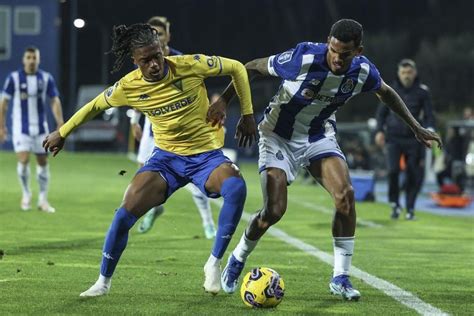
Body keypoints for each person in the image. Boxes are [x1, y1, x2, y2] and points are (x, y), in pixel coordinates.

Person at [213, 19, 442, 301]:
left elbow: (386, 93)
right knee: (274, 210)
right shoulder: (304, 57)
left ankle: (341, 277)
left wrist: (416, 127)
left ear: (358, 51)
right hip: (277, 135)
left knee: (346, 196)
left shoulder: (363, 71)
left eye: (344, 53)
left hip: (318, 136)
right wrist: (230, 104)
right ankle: (238, 257)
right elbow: (249, 67)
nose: (336, 57)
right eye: (333, 49)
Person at [42, 23, 257, 297]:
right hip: (166, 160)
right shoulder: (128, 86)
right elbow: (95, 105)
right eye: (146, 60)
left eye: (157, 56)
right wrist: (62, 132)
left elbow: (238, 68)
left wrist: (246, 113)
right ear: (135, 61)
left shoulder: (191, 64)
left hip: (206, 157)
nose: (155, 64)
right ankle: (102, 282)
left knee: (236, 188)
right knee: (123, 215)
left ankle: (214, 263)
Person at [130, 16, 216, 239]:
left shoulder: (181, 60)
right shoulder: (144, 59)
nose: (156, 37)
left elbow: (197, 88)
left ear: (168, 36)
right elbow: (139, 93)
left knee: (196, 178)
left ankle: (208, 223)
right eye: (152, 33)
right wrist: (133, 121)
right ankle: (154, 208)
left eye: (160, 33)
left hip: (182, 132)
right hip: (152, 130)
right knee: (143, 179)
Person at [0, 46, 64, 213]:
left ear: (38, 59)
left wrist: (60, 122)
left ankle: (43, 199)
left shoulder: (46, 78)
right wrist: (1, 126)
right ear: (24, 60)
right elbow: (4, 103)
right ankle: (26, 194)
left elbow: (54, 100)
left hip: (41, 128)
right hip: (21, 128)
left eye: (34, 57)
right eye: (28, 57)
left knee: (43, 161)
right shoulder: (14, 78)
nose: (31, 60)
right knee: (23, 159)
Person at [375, 59, 436, 220]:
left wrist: (429, 131)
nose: (406, 76)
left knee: (413, 174)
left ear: (414, 73)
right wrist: (379, 130)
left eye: (409, 72)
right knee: (393, 170)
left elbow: (429, 115)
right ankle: (394, 204)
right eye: (403, 73)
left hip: (414, 139)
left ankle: (410, 208)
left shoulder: (423, 92)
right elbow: (381, 114)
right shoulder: (390, 89)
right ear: (398, 73)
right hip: (393, 138)